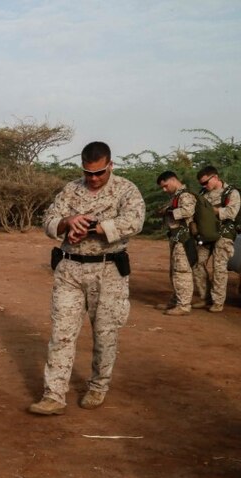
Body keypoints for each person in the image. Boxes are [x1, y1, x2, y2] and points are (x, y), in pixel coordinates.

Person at [27, 142, 145, 415]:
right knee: (61, 335)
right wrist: (68, 222)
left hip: (109, 272)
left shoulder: (126, 190)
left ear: (110, 166)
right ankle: (54, 395)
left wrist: (94, 227)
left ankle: (98, 386)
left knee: (105, 335)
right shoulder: (71, 189)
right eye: (88, 173)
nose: (93, 179)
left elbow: (135, 221)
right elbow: (48, 222)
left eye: (99, 173)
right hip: (70, 270)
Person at [155, 170, 205, 315]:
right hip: (176, 238)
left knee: (182, 272)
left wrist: (168, 212)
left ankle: (183, 306)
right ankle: (175, 301)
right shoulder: (175, 196)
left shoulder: (185, 195)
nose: (164, 190)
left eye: (165, 186)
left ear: (172, 180)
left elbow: (187, 211)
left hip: (184, 238)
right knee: (174, 272)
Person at [196, 165, 240, 312]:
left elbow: (231, 212)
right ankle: (205, 297)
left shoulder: (231, 192)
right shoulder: (203, 193)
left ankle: (218, 301)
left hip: (224, 233)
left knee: (219, 267)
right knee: (197, 263)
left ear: (215, 177)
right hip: (206, 233)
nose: (204, 186)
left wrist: (210, 210)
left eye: (206, 182)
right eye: (201, 184)